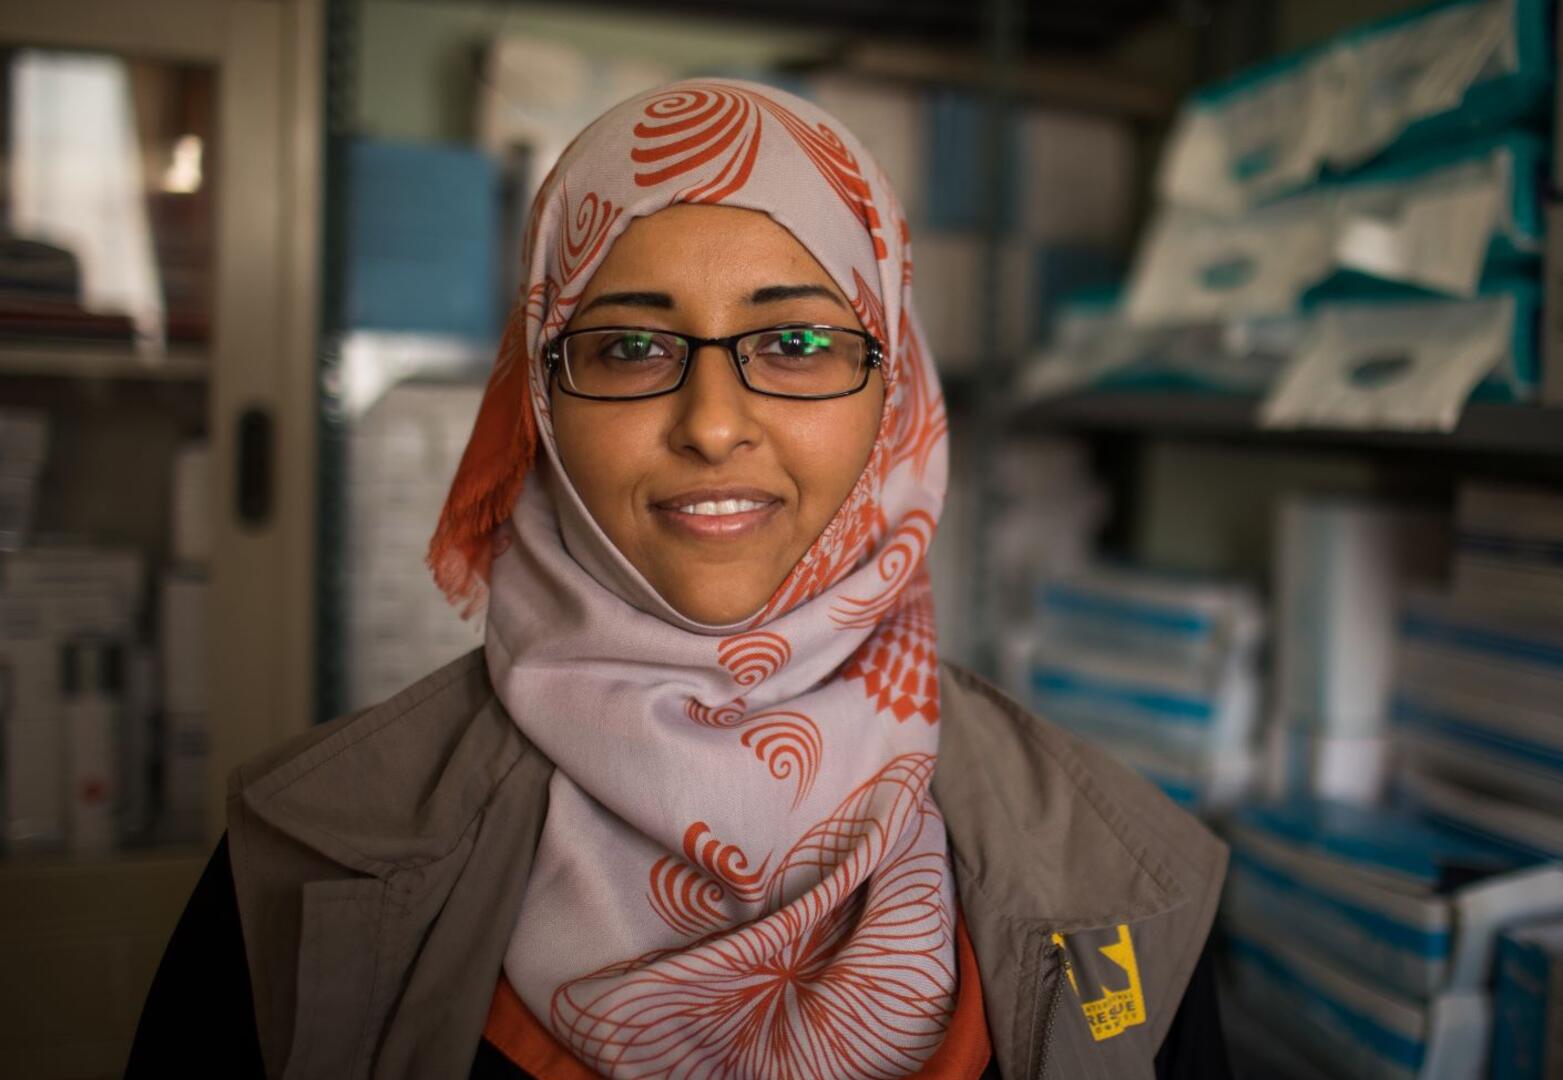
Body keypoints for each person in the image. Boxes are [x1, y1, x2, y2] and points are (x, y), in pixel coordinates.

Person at [127, 78, 1229, 1080]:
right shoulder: (306, 862)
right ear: (541, 396)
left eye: (797, 343)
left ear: (894, 390)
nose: (711, 424)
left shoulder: (1121, 881)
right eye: (628, 347)